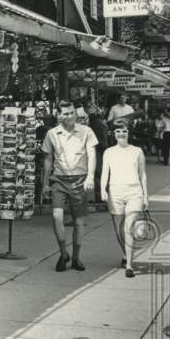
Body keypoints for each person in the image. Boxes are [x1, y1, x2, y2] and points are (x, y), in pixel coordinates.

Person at [41, 100, 99, 271]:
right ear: (59, 115)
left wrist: (90, 177)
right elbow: (48, 160)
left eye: (72, 112)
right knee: (56, 217)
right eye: (65, 113)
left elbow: (92, 155)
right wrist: (45, 184)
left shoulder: (86, 131)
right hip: (59, 180)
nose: (70, 116)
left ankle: (76, 258)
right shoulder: (52, 134)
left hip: (79, 179)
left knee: (78, 222)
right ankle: (63, 253)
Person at [100, 119, 149, 278]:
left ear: (129, 133)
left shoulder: (137, 151)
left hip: (134, 191)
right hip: (115, 192)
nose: (121, 134)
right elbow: (104, 174)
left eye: (124, 131)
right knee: (119, 231)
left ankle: (129, 265)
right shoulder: (109, 152)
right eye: (118, 131)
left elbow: (143, 174)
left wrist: (145, 195)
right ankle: (125, 254)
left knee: (128, 228)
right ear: (113, 133)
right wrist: (103, 189)